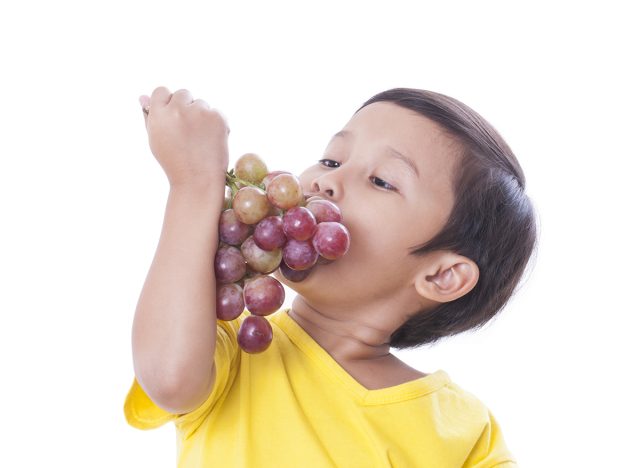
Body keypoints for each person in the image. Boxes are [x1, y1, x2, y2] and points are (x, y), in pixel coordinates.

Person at [124, 86, 537, 467]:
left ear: (443, 275)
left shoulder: (466, 431)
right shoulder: (235, 346)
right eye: (331, 160)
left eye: (381, 181)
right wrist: (194, 185)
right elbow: (169, 377)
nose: (326, 180)